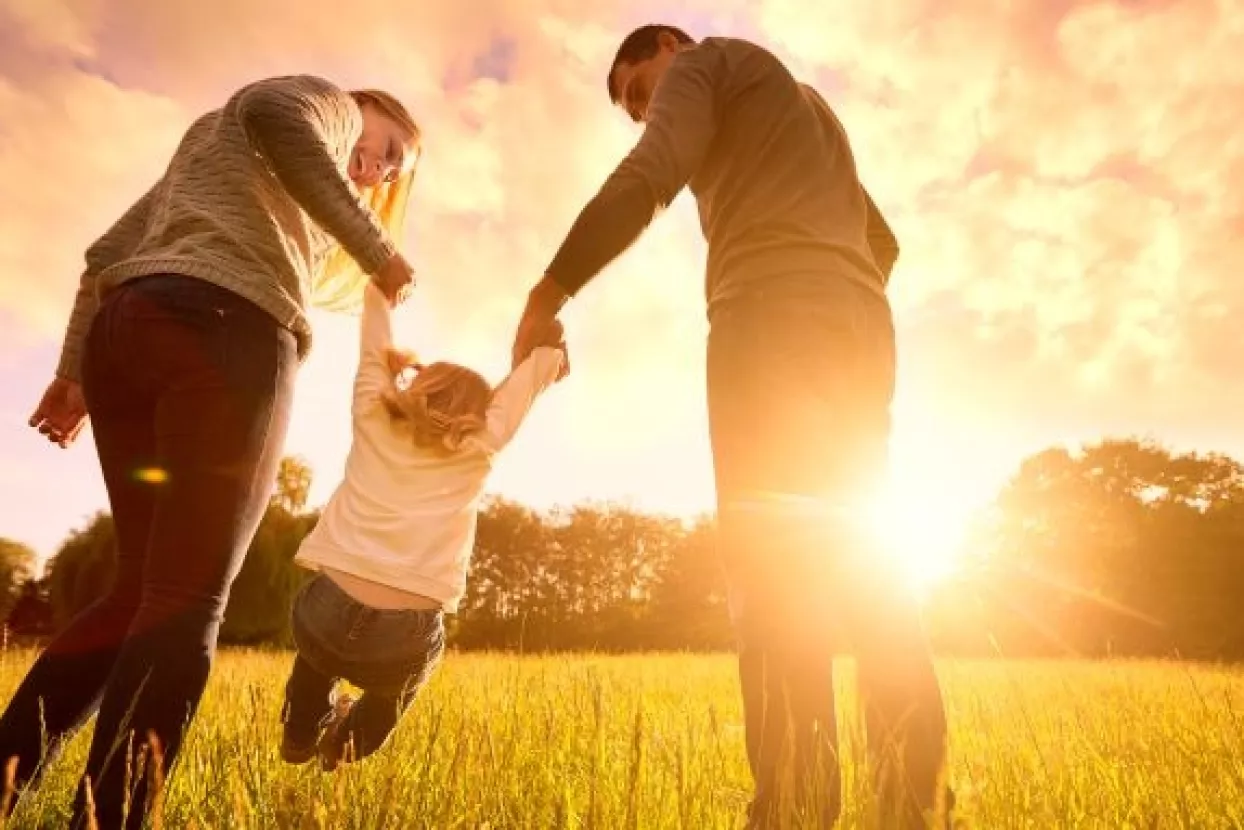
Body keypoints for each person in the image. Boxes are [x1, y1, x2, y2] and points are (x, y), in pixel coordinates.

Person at [510, 25, 950, 828]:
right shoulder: (807, 105)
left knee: (775, 574)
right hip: (858, 326)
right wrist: (832, 287)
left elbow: (653, 171)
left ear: (671, 47)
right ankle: (911, 809)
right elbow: (881, 239)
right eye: (636, 108)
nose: (647, 112)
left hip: (768, 320)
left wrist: (550, 293)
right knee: (871, 569)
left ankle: (792, 812)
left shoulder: (707, 63)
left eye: (643, 90)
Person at [14, 76, 420, 830]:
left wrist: (73, 373)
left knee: (136, 592)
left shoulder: (211, 149)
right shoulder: (321, 102)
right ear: (363, 110)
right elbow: (275, 111)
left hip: (127, 332)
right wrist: (377, 248)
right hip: (227, 329)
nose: (382, 168)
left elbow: (105, 255)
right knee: (186, 600)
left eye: (395, 171)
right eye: (387, 146)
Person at [278, 282, 567, 771]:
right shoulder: (482, 444)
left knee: (317, 657)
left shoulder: (373, 412)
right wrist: (547, 351)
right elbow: (530, 382)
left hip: (326, 609)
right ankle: (346, 746)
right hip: (404, 633)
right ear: (480, 413)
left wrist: (379, 289)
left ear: (419, 386)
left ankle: (301, 730)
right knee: (397, 687)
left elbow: (373, 343)